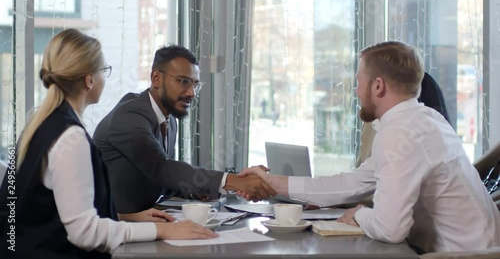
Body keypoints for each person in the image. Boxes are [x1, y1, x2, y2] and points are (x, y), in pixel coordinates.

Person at [239, 41, 500, 253]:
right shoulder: (425, 120)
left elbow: (390, 229)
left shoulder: (400, 133)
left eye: (358, 82)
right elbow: (351, 184)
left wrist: (360, 214)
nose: (356, 91)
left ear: (378, 85)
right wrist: (270, 182)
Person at [0, 29, 216, 259]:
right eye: (104, 70)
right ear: (89, 80)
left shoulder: (39, 125)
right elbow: (85, 233)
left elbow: (57, 212)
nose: (105, 77)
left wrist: (126, 217)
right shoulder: (71, 139)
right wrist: (162, 230)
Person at [93, 45, 275, 216]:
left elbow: (163, 179)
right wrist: (235, 181)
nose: (191, 93)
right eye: (183, 82)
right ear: (156, 78)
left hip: (145, 220)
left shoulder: (168, 120)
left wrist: (198, 190)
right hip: (113, 229)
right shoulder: (130, 115)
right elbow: (161, 168)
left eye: (195, 84)